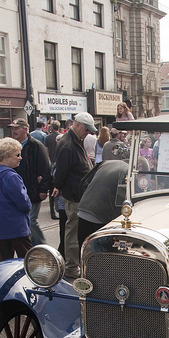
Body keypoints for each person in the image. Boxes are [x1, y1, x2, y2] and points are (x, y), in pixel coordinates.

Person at [52, 112, 97, 279]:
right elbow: (61, 170)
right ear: (77, 125)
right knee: (72, 231)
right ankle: (71, 266)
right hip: (74, 194)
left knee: (75, 229)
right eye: (86, 129)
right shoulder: (68, 144)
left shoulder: (74, 140)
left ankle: (75, 263)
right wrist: (57, 185)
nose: (88, 133)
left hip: (78, 193)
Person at [0, 137, 32, 261]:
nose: (20, 157)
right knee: (28, 261)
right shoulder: (11, 177)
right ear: (7, 156)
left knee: (4, 262)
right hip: (16, 226)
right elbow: (23, 203)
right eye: (17, 155)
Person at [9, 118, 51, 246]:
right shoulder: (10, 146)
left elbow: (45, 168)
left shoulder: (36, 146)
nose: (13, 131)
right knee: (20, 221)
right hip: (16, 190)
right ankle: (28, 247)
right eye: (12, 129)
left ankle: (41, 247)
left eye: (16, 128)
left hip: (32, 190)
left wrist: (43, 189)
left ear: (25, 129)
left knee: (31, 220)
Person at [77, 160, 128, 249]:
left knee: (83, 249)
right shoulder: (128, 172)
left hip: (84, 210)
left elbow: (84, 182)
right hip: (101, 216)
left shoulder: (106, 162)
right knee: (99, 251)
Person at [45, 120, 61, 220]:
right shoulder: (62, 137)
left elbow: (46, 151)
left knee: (51, 189)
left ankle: (52, 212)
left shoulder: (47, 137)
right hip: (59, 163)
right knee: (58, 187)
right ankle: (59, 208)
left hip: (51, 163)